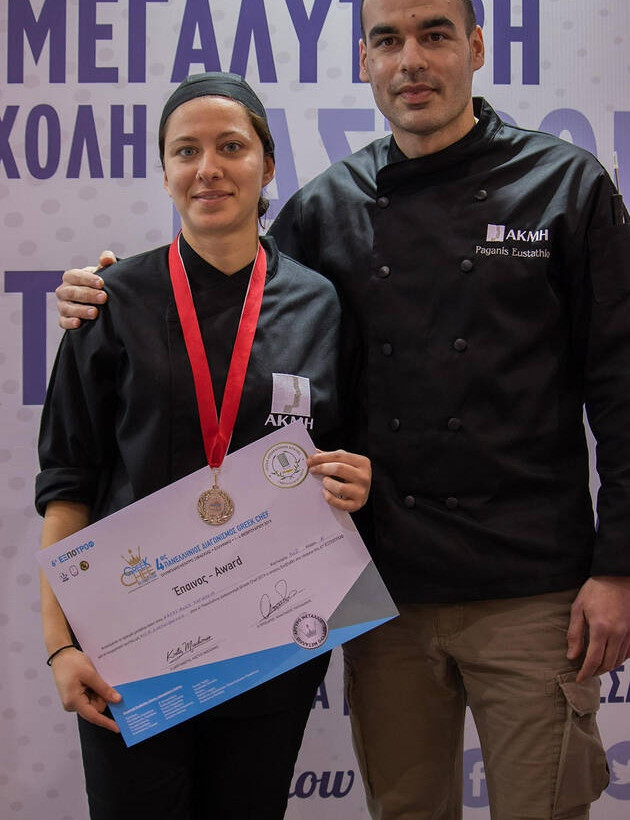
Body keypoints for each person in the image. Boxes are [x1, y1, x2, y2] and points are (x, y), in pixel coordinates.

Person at [54, 1, 630, 818]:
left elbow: (621, 384)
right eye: (388, 40)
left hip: (533, 591)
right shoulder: (327, 207)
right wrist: (103, 293)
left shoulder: (566, 186)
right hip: (382, 596)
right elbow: (234, 308)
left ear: (475, 46)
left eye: (434, 35)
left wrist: (619, 565)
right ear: (365, 61)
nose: (411, 61)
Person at [37, 71, 372, 820]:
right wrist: (61, 646)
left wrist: (353, 481)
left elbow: (343, 452)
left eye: (231, 147)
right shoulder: (110, 301)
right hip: (128, 645)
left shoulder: (318, 302)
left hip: (270, 639)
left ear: (267, 164)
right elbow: (67, 487)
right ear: (164, 171)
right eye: (186, 151)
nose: (208, 168)